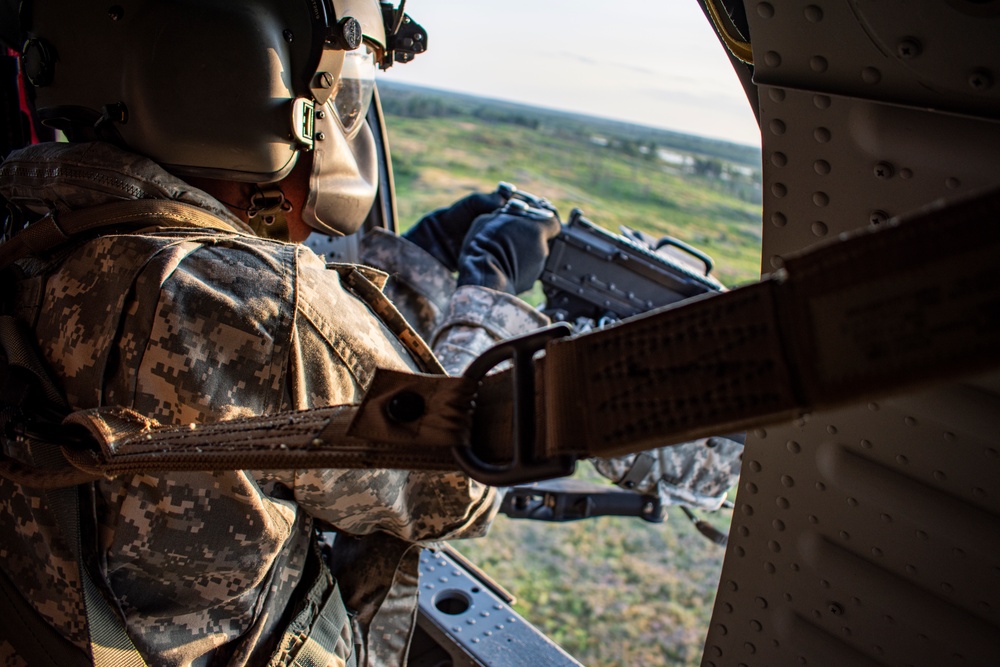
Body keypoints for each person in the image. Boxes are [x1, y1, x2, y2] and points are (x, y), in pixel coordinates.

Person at [0, 1, 742, 665]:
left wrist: (413, 256)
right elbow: (456, 486)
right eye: (334, 89)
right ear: (225, 85)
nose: (341, 119)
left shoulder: (35, 238)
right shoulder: (258, 306)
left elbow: (306, 367)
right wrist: (486, 294)